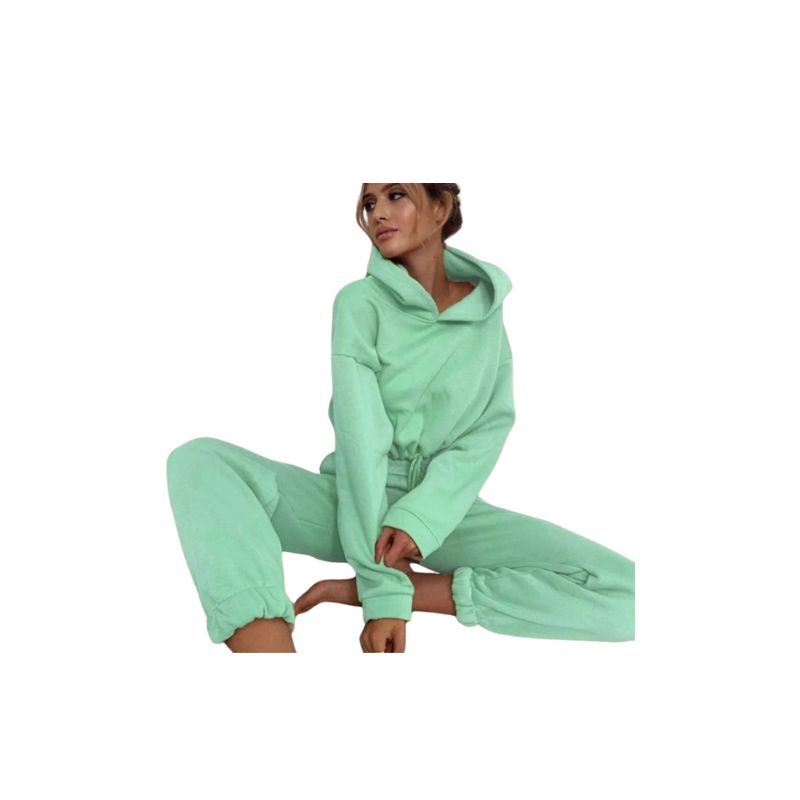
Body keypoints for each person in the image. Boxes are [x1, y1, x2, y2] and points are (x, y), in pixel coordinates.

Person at [165, 182, 635, 653]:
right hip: (350, 501)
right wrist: (380, 585)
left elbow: (488, 429)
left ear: (440, 207)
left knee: (631, 593)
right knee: (200, 462)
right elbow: (361, 439)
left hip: (444, 511)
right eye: (369, 204)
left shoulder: (486, 317)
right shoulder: (360, 303)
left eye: (395, 196)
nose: (378, 214)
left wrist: (412, 538)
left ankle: (419, 589)